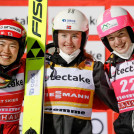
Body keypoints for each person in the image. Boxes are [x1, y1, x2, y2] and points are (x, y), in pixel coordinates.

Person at [44, 8, 118, 134]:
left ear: (83, 38)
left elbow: (116, 102)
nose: (68, 41)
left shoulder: (93, 69)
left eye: (75, 36)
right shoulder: (42, 66)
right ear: (56, 37)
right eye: (63, 35)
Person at [97, 6, 134, 134]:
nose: (117, 42)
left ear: (130, 32)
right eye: (111, 38)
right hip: (125, 128)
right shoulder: (108, 66)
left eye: (121, 34)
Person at [0, 19, 26, 134]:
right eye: (1, 44)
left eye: (12, 45)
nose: (6, 51)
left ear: (20, 49)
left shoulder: (26, 68)